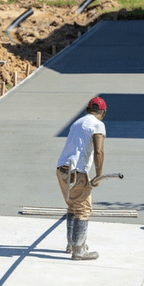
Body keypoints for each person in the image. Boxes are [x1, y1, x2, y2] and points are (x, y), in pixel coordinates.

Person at [56, 97, 107, 260]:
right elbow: (99, 151)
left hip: (62, 170)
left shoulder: (77, 123)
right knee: (83, 209)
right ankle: (79, 250)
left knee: (72, 206)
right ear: (103, 112)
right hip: (77, 172)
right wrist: (99, 175)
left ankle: (71, 244)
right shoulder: (98, 124)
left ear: (87, 110)